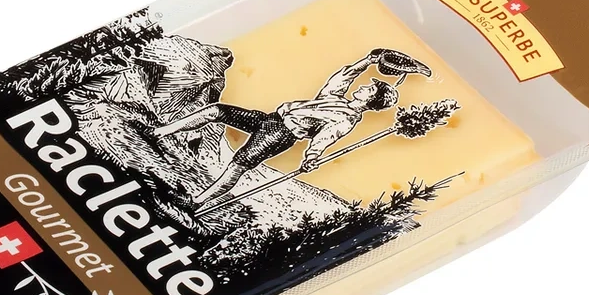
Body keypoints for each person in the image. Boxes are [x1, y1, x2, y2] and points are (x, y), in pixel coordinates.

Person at [155, 48, 432, 206]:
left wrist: (312, 156)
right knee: (217, 111)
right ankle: (159, 132)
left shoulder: (345, 118)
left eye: (370, 88)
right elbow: (342, 77)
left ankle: (196, 201)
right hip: (270, 119)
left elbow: (325, 138)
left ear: (372, 99)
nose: (364, 86)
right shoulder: (337, 100)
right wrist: (367, 61)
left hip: (281, 134)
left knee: (238, 165)